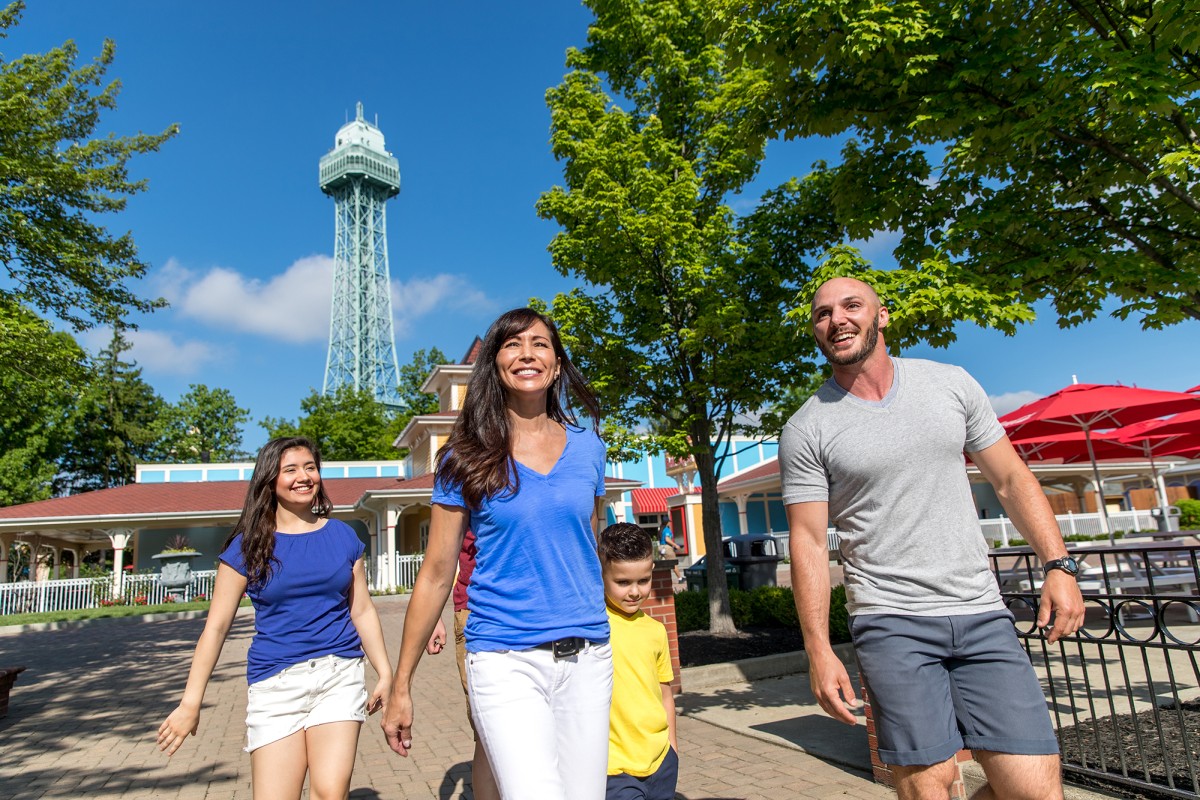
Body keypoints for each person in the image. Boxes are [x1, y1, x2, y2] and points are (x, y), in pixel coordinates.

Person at [778, 277, 1085, 800]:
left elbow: (1011, 481)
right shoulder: (806, 429)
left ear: (883, 315)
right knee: (931, 790)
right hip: (891, 622)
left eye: (852, 305)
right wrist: (819, 650)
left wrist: (1059, 565)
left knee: (1035, 791)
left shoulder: (950, 384)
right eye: (823, 314)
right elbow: (807, 541)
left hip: (982, 613)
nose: (837, 320)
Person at [382, 307, 613, 799]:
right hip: (504, 657)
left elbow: (590, 541)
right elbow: (437, 572)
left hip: (589, 655)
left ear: (556, 363)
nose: (527, 354)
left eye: (540, 343)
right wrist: (402, 683)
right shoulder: (463, 456)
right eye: (512, 344)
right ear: (494, 363)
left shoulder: (589, 446)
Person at [157, 436, 391, 800]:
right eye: (291, 469)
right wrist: (191, 703)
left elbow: (361, 609)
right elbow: (216, 628)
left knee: (330, 793)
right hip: (275, 685)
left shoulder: (344, 537)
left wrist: (385, 672)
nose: (304, 476)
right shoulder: (246, 546)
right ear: (270, 479)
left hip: (338, 675)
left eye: (310, 467)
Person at [598, 522, 678, 800]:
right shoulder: (593, 627)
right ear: (601, 574)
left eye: (642, 581)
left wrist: (673, 748)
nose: (634, 591)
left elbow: (665, 694)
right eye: (622, 582)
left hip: (661, 761)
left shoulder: (656, 631)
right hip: (613, 767)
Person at [424, 530, 499, 800]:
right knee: (488, 732)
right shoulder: (463, 485)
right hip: (477, 611)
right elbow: (442, 547)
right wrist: (431, 615)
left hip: (543, 610)